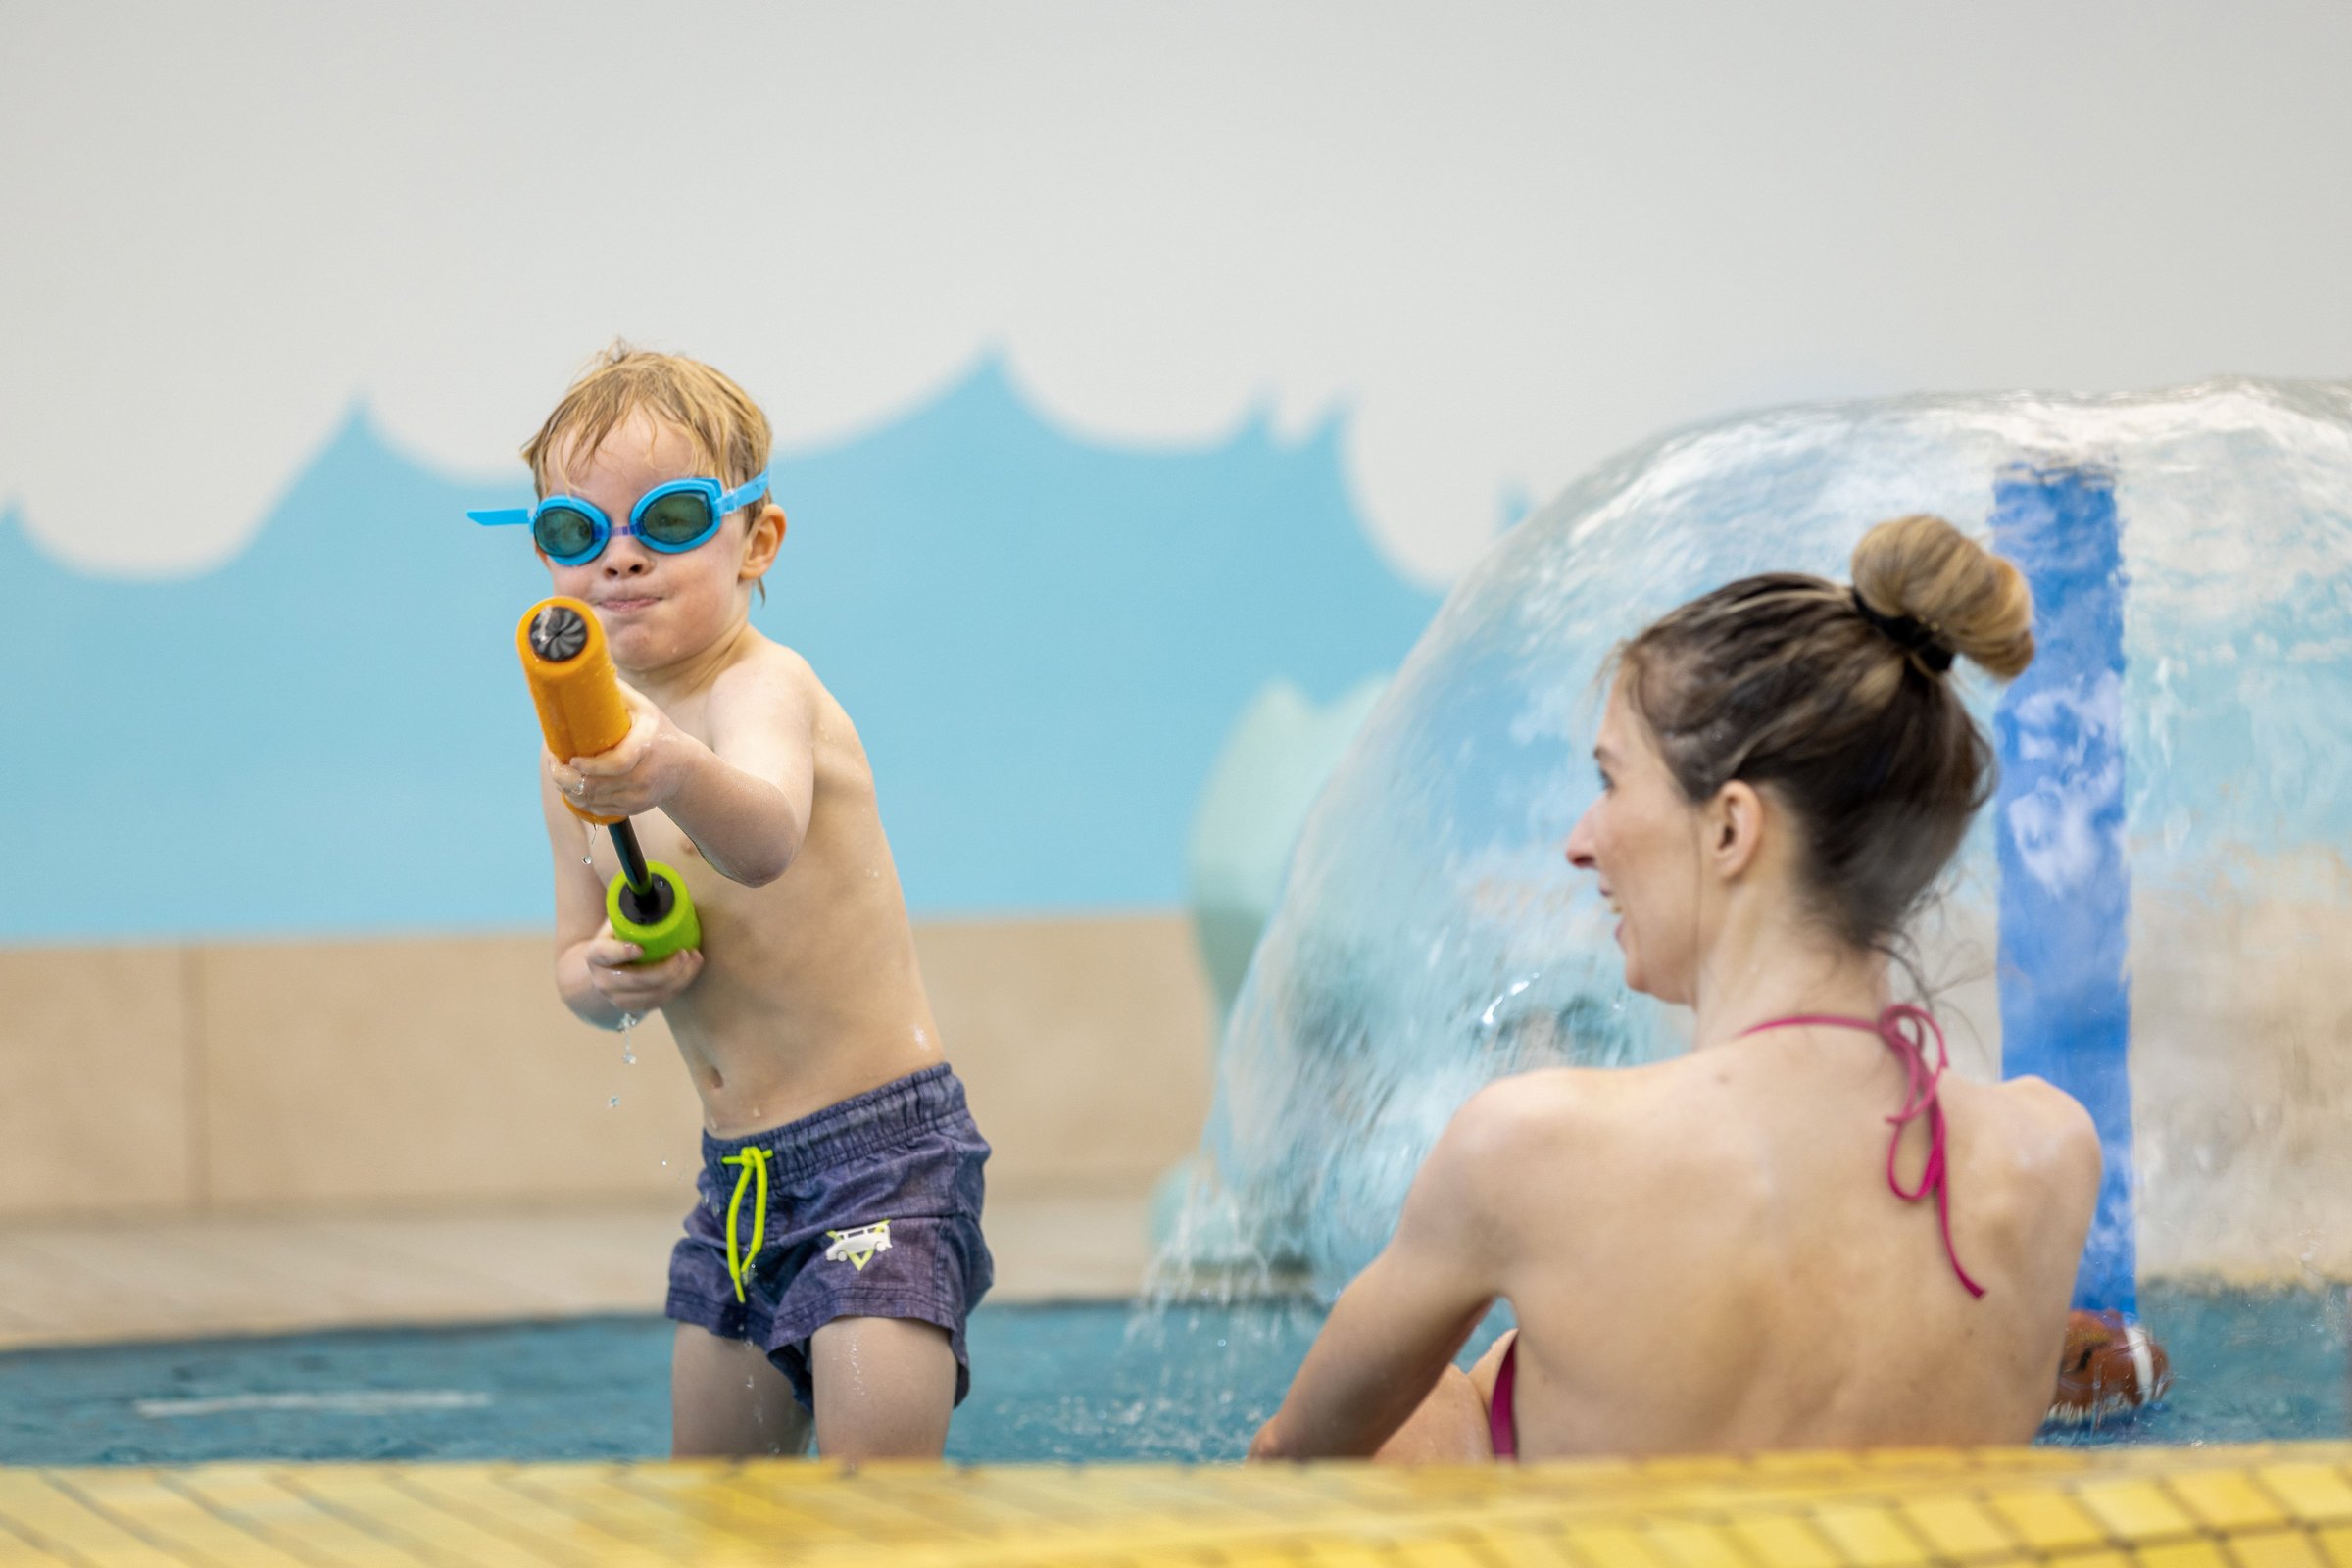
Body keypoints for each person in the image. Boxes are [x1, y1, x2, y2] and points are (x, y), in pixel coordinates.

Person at [1248, 514, 2101, 1461]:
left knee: (1444, 1408)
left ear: (1732, 829)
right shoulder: (2049, 1157)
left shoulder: (1530, 1151)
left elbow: (1292, 1467)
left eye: (1611, 782)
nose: (1582, 840)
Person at [476, 345, 991, 1460]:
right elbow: (574, 962)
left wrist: (667, 769)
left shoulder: (763, 687)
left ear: (756, 540)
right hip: (740, 1187)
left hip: (881, 1163)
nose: (618, 560)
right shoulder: (572, 753)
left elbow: (762, 837)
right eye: (575, 533)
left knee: (875, 1513)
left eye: (664, 521)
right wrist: (605, 978)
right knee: (714, 1508)